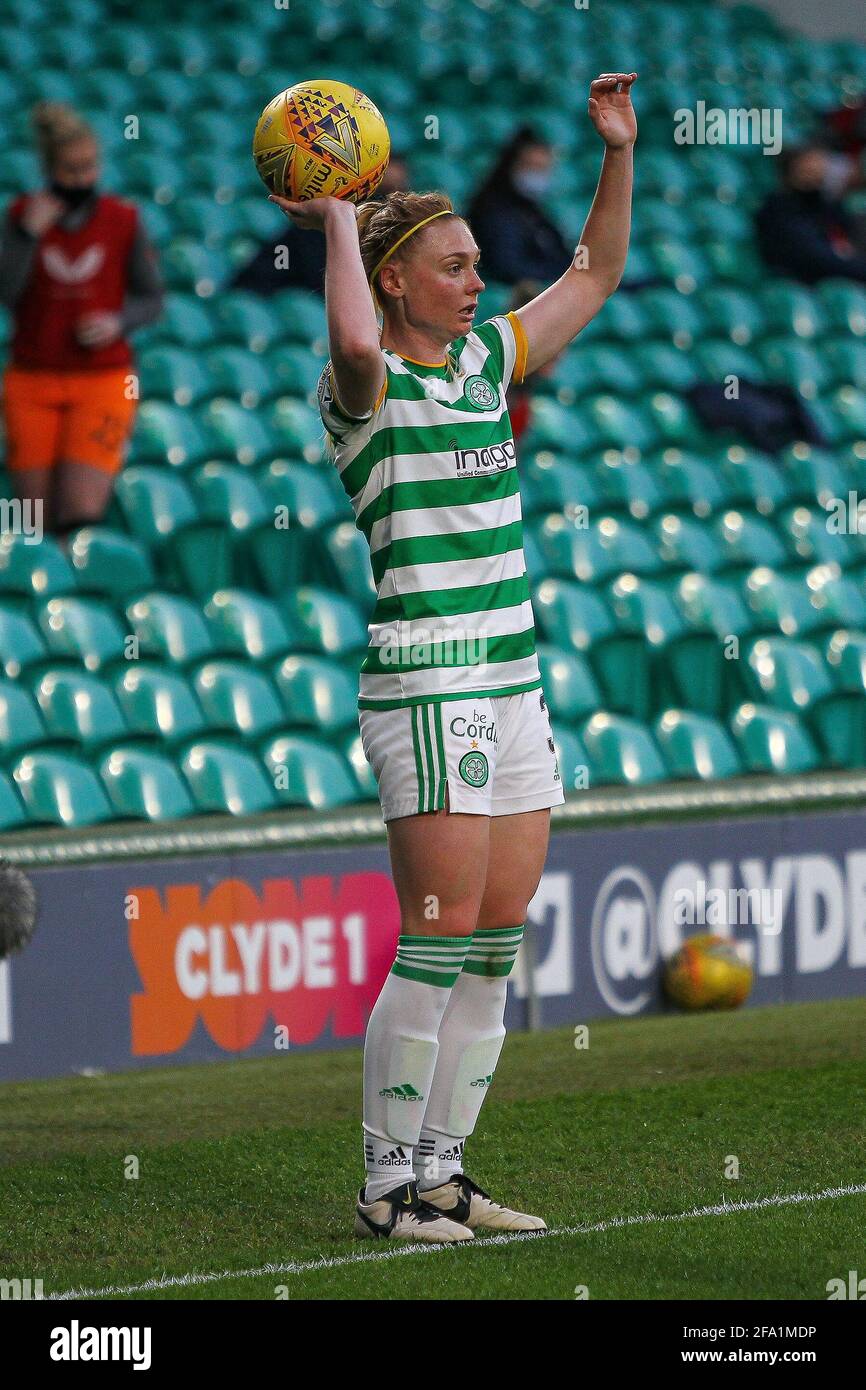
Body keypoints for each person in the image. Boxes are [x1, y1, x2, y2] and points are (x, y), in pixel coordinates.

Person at [270, 72, 636, 1243]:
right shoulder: (363, 389)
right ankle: (385, 1184)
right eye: (456, 266)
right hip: (428, 679)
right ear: (394, 281)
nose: (479, 281)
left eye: (478, 264)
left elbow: (592, 274)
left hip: (512, 678)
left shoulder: (483, 366)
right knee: (434, 935)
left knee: (493, 939)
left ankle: (443, 1170)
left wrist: (615, 155)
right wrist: (336, 206)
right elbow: (344, 334)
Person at [0, 103, 163, 536]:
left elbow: (152, 298)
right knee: (31, 521)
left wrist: (117, 322)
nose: (82, 179)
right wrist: (26, 236)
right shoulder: (20, 217)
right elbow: (6, 293)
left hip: (102, 379)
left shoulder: (122, 219)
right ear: (49, 168)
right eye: (70, 170)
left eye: (88, 168)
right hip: (31, 380)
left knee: (79, 516)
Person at [231, 152, 411, 296]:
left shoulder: (400, 242)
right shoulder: (310, 233)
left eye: (398, 197)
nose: (386, 207)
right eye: (379, 196)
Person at [465, 125, 574, 286]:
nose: (537, 176)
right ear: (512, 165)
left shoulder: (536, 213)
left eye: (543, 169)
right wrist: (559, 277)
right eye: (531, 167)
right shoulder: (492, 212)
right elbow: (508, 267)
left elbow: (563, 259)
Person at [754, 143, 866, 286]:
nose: (817, 170)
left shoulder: (826, 207)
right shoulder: (779, 210)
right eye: (809, 165)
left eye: (820, 164)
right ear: (792, 169)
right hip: (796, 285)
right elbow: (818, 258)